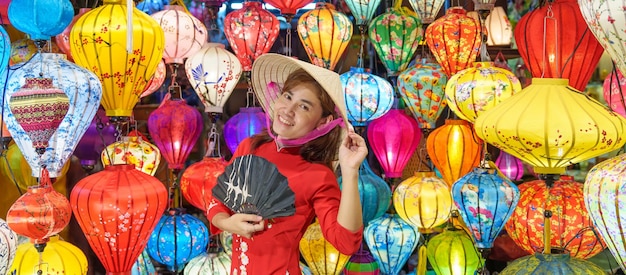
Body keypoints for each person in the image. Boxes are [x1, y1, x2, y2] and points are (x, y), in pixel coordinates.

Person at [208, 53, 369, 274]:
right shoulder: (250, 146)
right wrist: (227, 223)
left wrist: (351, 172)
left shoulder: (318, 175)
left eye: (304, 107)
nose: (288, 110)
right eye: (287, 96)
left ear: (324, 122)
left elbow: (346, 242)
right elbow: (217, 200)